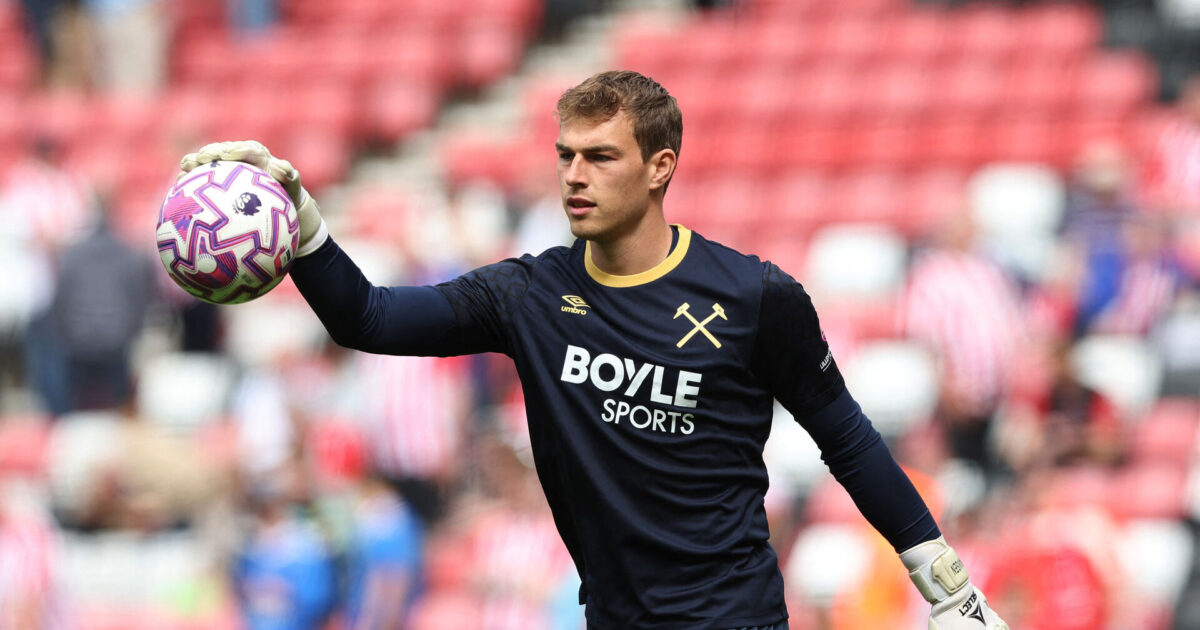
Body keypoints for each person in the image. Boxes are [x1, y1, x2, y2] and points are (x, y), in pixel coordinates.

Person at [180, 70, 1008, 630]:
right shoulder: (528, 295)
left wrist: (946, 586)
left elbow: (849, 441)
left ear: (660, 167)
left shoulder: (755, 297)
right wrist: (303, 220)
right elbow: (367, 319)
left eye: (600, 157)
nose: (574, 175)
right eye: (565, 156)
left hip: (733, 618)